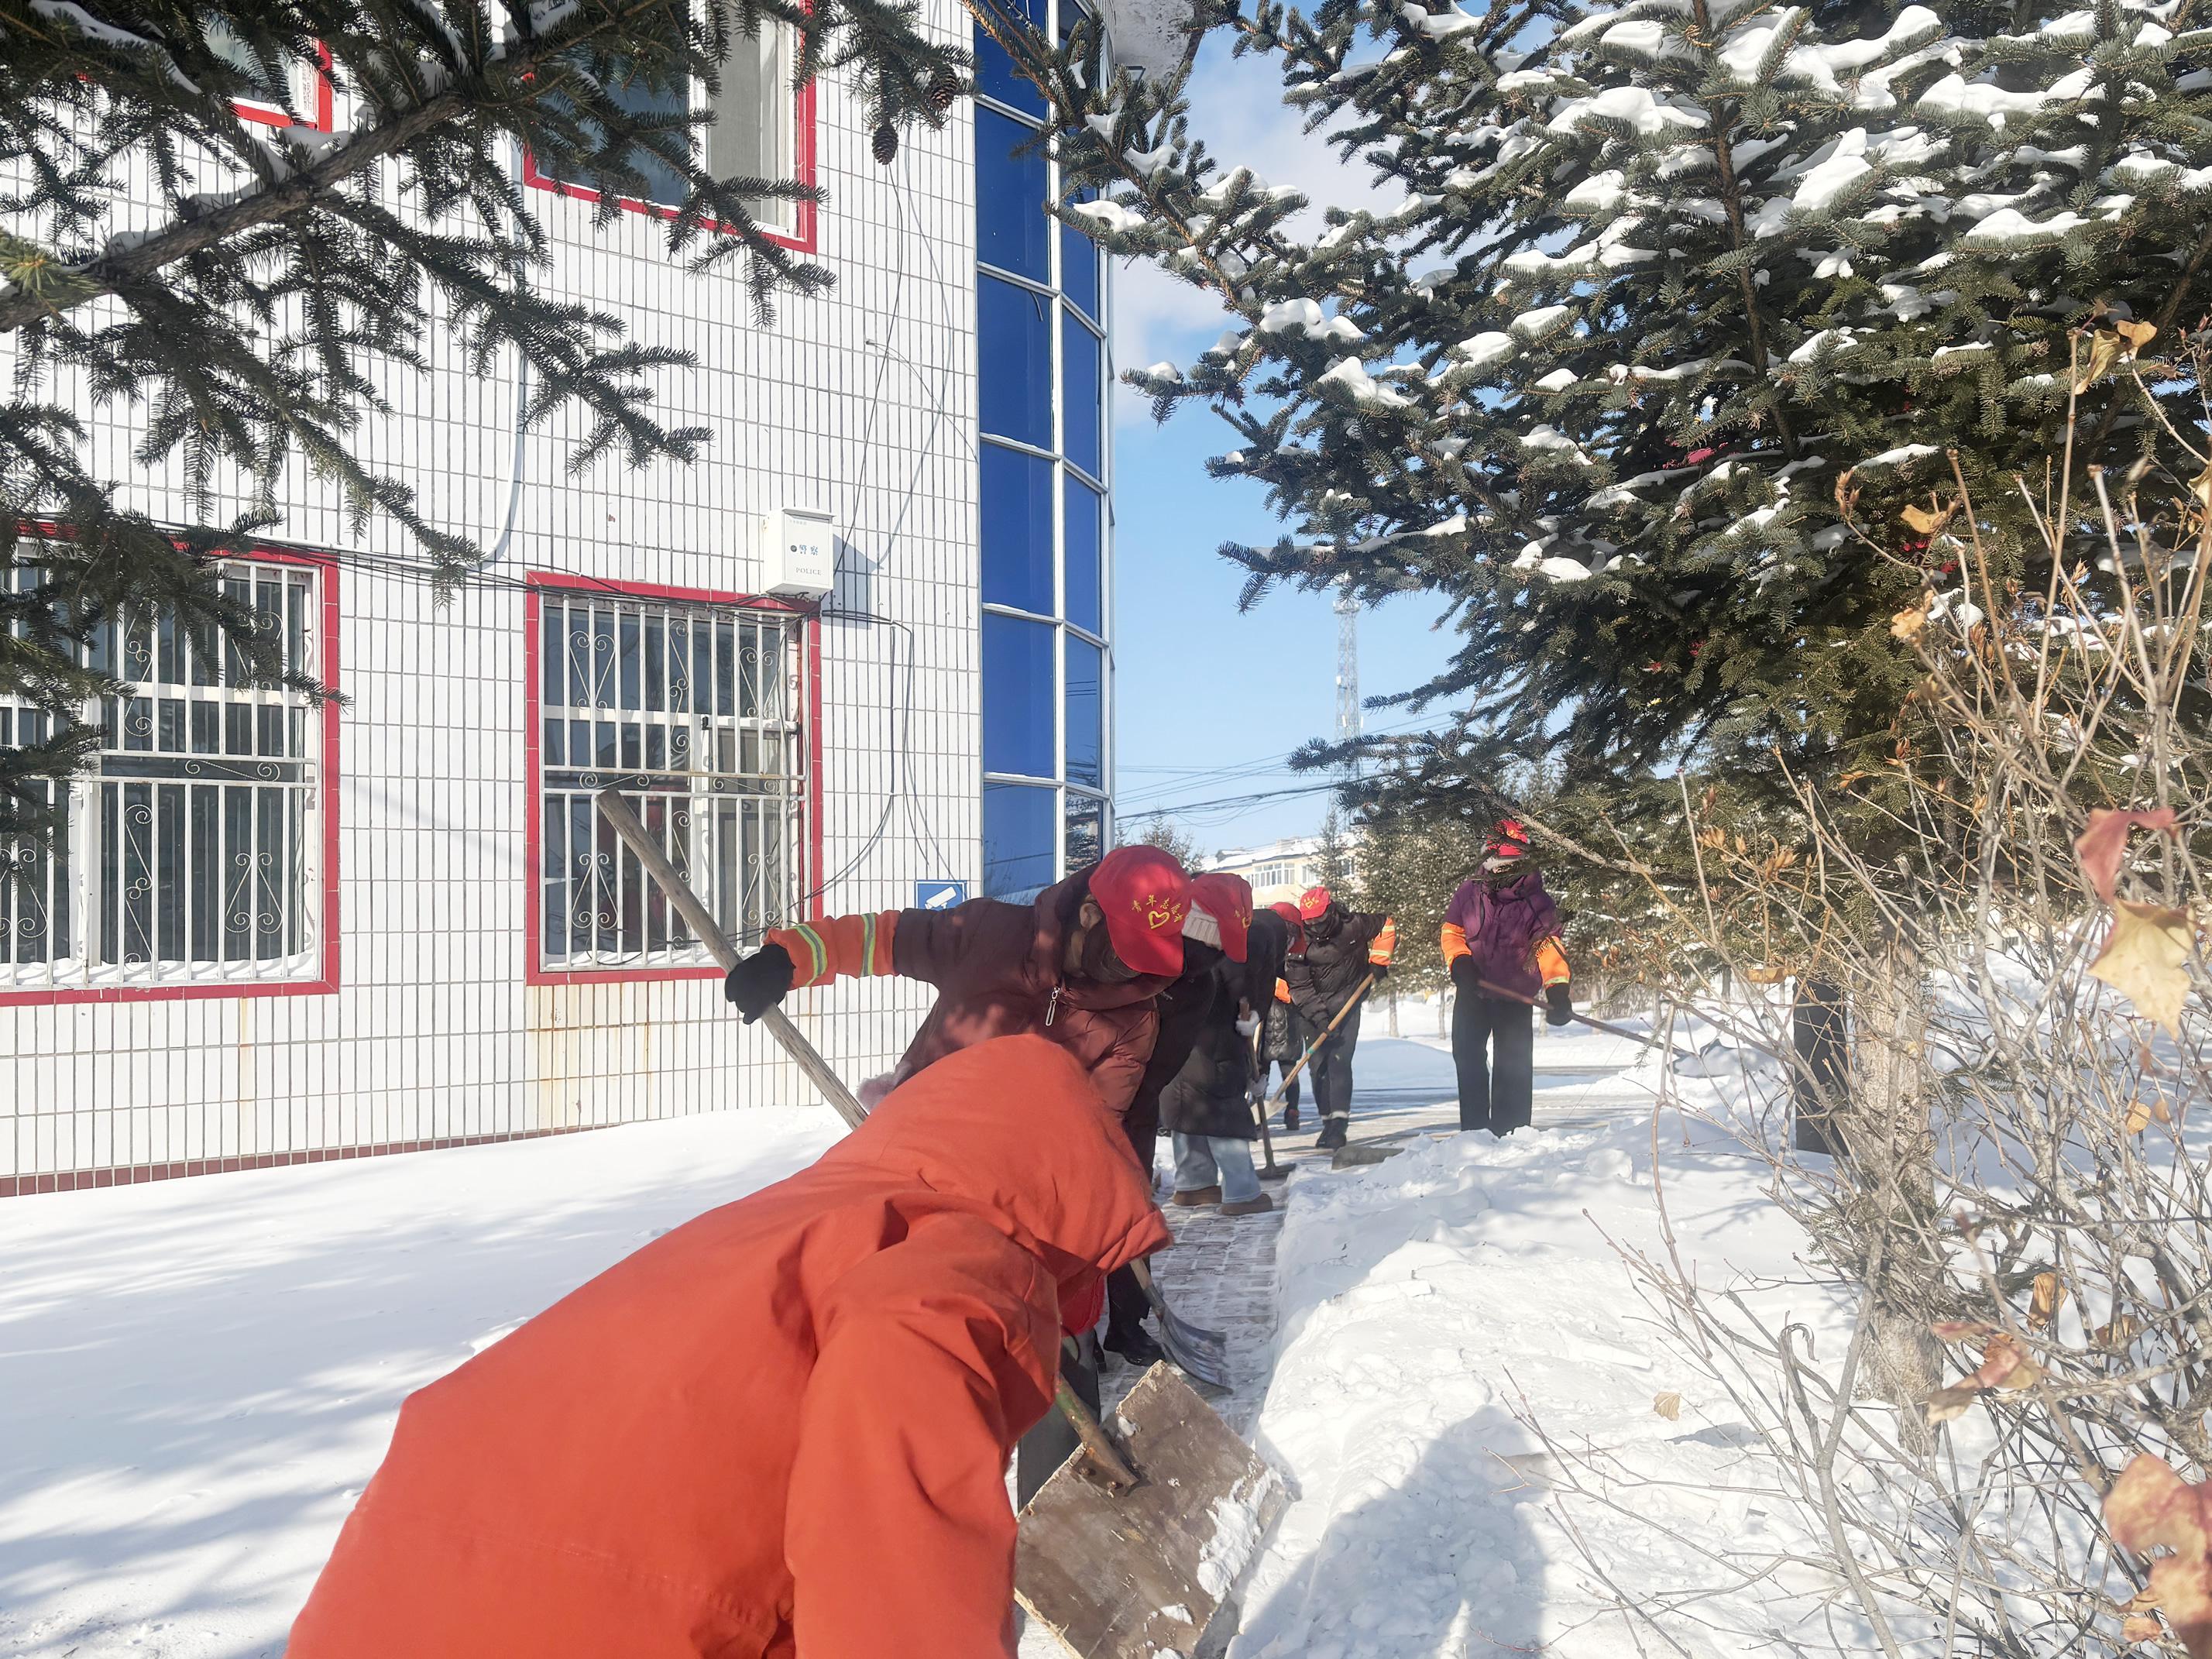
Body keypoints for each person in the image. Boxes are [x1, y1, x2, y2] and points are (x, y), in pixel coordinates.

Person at [287, 1037, 1172, 1659]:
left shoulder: (788, 1219)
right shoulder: (958, 1259)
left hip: (388, 1596)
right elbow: (894, 1565)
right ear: (1059, 1203)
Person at [720, 842, 1191, 1500]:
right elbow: (885, 938)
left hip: (1024, 1201)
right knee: (876, 1329)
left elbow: (1094, 1127)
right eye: (1123, 952)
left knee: (1056, 1352)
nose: (1130, 973)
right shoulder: (990, 933)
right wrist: (789, 958)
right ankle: (862, 1492)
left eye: (1146, 958)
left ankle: (1051, 1508)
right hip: (909, 1170)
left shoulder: (1134, 1015)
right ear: (1089, 914)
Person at [1102, 871, 1250, 1365]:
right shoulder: (1124, 955)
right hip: (1067, 1100)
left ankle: (1127, 1325)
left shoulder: (1197, 987)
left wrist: (1118, 1116)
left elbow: (1162, 1064)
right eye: (1204, 945)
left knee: (1132, 1212)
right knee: (1073, 1218)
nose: (1209, 959)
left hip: (1133, 1108)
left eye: (1218, 951)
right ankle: (1075, 1334)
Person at [1441, 818, 1573, 1136]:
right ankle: (1474, 1134)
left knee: (1513, 1067)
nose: (1504, 867)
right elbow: (1452, 931)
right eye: (1499, 860)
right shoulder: (1470, 891)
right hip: (1473, 991)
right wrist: (1459, 961)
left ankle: (1510, 1136)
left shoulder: (1538, 902)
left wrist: (1557, 989)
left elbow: (1549, 946)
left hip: (1515, 996)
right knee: (1467, 1058)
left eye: (1511, 861)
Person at [1163, 884, 1287, 1216]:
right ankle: (1242, 1193)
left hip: (1177, 1042)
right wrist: (1253, 1015)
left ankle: (1194, 1185)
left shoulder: (1179, 931)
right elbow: (1242, 991)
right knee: (1223, 1113)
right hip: (1217, 1042)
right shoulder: (1251, 940)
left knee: (1187, 1108)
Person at [1283, 886, 1396, 1151]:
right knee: (1317, 1066)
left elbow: (1386, 925)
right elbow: (1299, 986)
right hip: (1311, 1010)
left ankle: (1339, 1125)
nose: (1314, 925)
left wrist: (1379, 960)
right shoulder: (1298, 942)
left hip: (1348, 1003)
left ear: (1331, 911)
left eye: (1319, 919)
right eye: (1309, 921)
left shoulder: (1354, 926)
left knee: (1339, 1062)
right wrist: (1319, 1018)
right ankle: (1327, 1122)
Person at [1258, 900, 1309, 1131]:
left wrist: (1274, 986)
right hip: (1268, 1022)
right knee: (1268, 1072)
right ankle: (1262, 1112)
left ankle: (1289, 1112)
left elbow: (1294, 989)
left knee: (1277, 1071)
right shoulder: (1277, 951)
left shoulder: (1291, 956)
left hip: (1282, 1021)